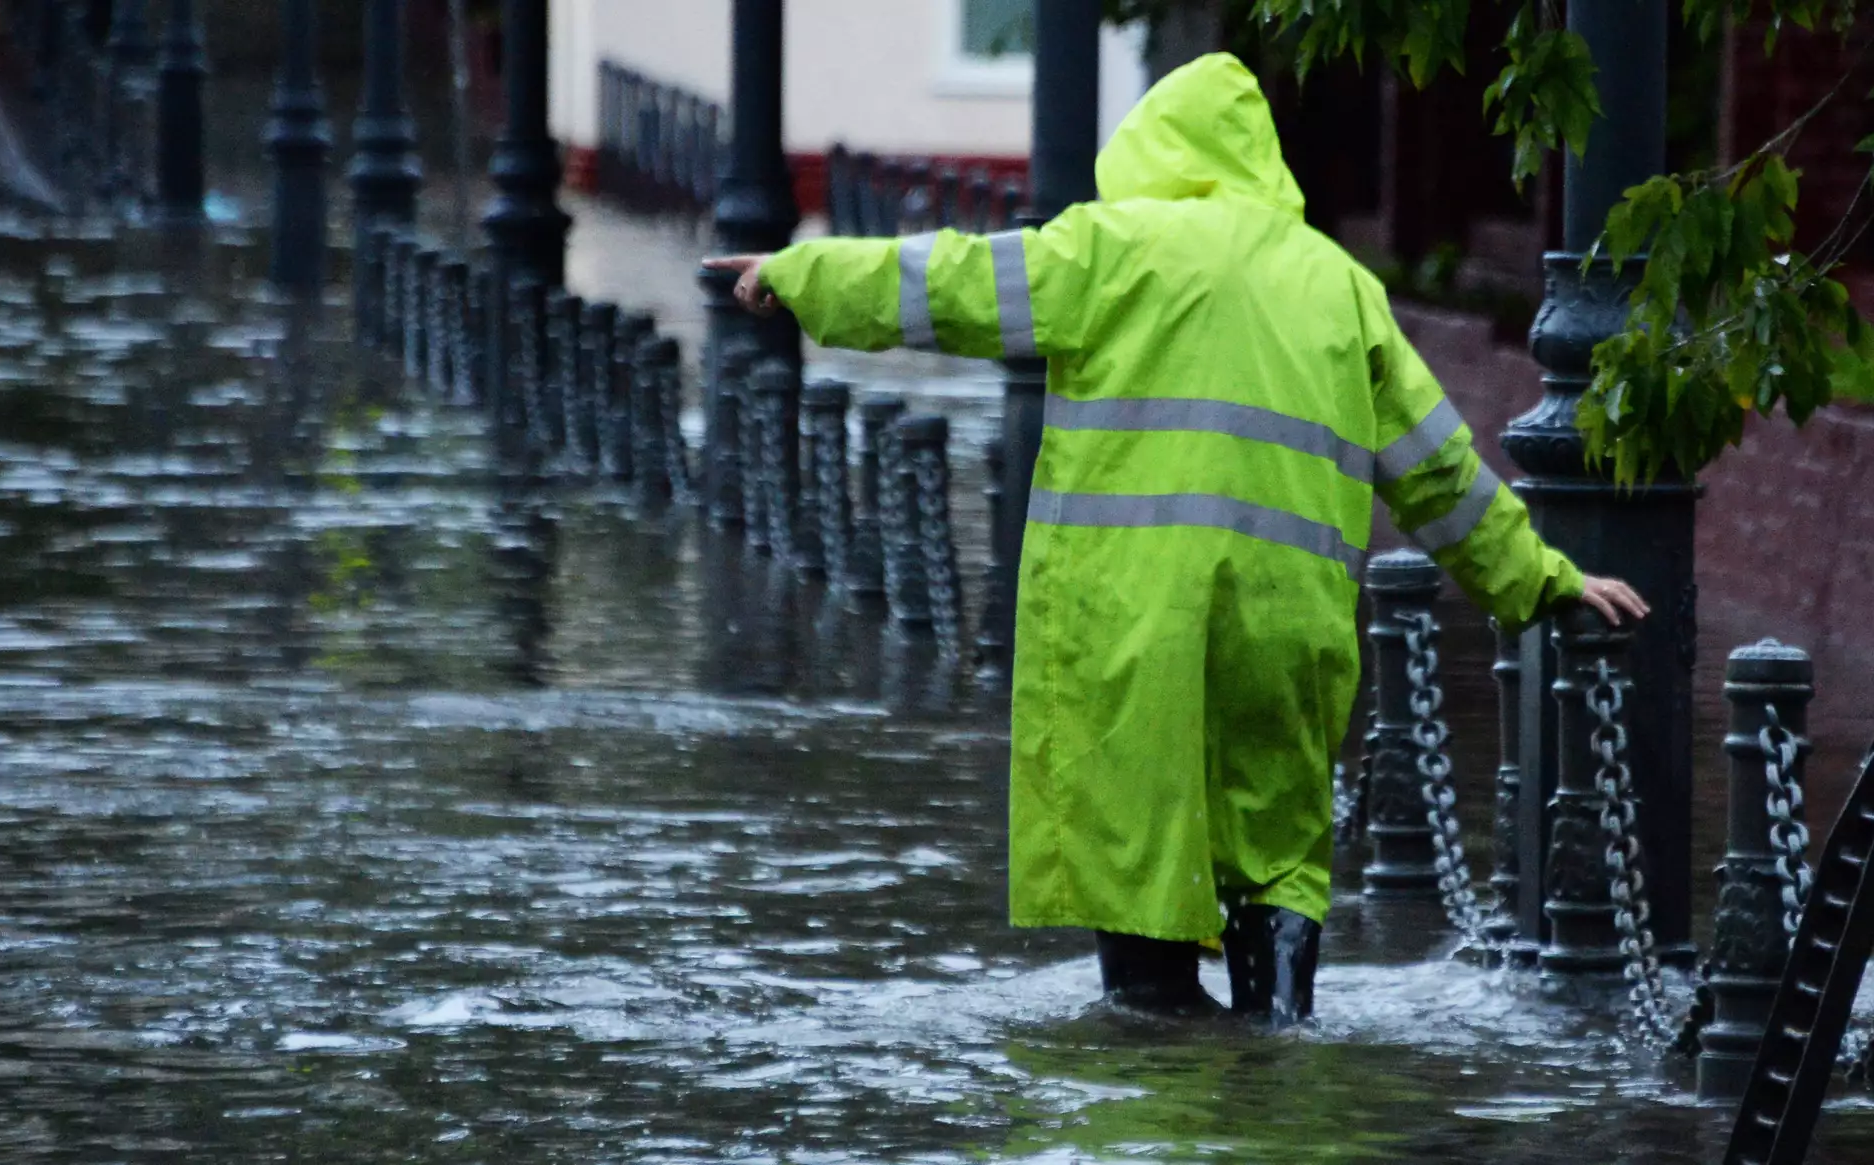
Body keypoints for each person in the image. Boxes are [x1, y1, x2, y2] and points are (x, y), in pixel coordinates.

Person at [704, 53, 1648, 1027]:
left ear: (1153, 148)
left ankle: (1163, 1070)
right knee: (1279, 855)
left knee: (1136, 859)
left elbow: (950, 283)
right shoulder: (1339, 285)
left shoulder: (1111, 249)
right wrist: (1541, 578)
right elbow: (1437, 471)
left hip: (1135, 626)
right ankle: (1273, 1055)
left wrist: (801, 276)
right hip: (1289, 630)